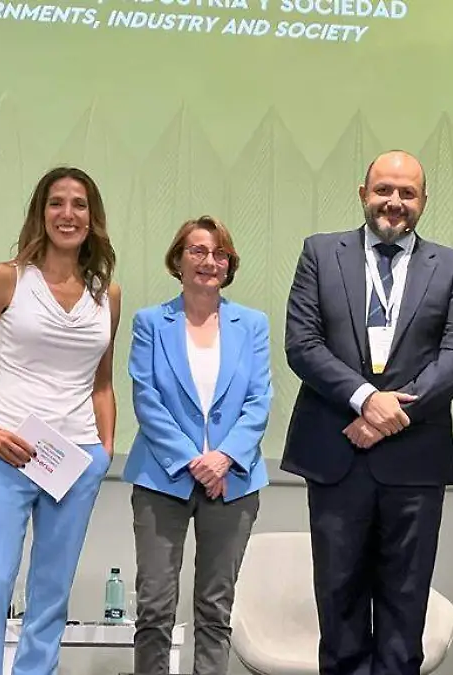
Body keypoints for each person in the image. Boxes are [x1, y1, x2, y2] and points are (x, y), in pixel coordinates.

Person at [281, 150, 453, 675]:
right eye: (385, 190)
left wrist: (391, 412)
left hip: (414, 462)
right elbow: (302, 344)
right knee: (339, 605)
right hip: (335, 453)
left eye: (407, 193)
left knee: (404, 609)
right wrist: (366, 399)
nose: (395, 202)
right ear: (363, 192)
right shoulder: (320, 254)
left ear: (423, 201)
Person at [0, 166, 121, 674]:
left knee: (51, 592)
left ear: (93, 217)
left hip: (75, 460)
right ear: (41, 213)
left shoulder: (108, 296)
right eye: (57, 202)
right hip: (8, 451)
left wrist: (103, 450)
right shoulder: (8, 279)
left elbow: (102, 383)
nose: (68, 214)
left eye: (79, 204)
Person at [123, 215, 272, 675]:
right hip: (162, 478)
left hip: (234, 482)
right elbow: (146, 399)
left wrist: (224, 458)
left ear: (229, 265)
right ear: (178, 260)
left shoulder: (253, 324)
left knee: (214, 610)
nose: (209, 261)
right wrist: (193, 460)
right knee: (154, 608)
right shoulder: (151, 322)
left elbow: (259, 399)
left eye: (219, 253)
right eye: (198, 251)